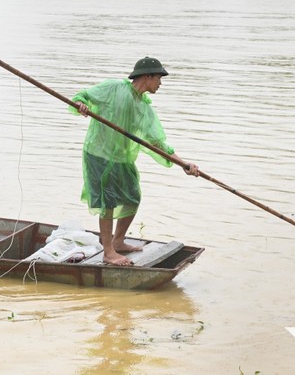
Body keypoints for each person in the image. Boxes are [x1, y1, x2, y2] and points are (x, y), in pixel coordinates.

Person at [71, 57, 199, 266]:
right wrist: (81, 105)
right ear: (147, 76)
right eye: (159, 78)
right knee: (108, 201)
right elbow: (83, 96)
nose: (160, 83)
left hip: (121, 159)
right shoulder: (114, 88)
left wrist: (184, 164)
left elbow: (158, 144)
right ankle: (109, 252)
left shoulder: (144, 108)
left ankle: (118, 241)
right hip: (99, 153)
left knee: (133, 196)